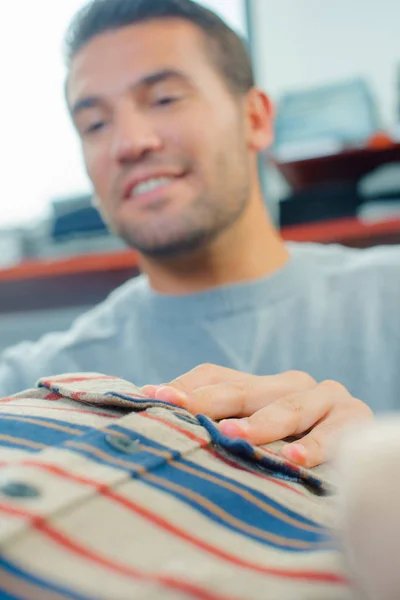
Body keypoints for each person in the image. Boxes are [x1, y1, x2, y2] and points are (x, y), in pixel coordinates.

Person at [1, 0, 397, 468]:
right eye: (95, 124)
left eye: (165, 98)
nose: (129, 142)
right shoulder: (34, 387)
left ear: (255, 118)